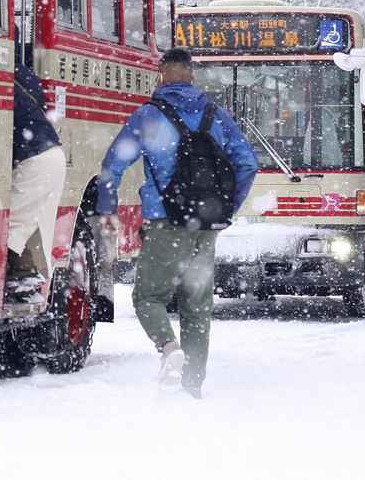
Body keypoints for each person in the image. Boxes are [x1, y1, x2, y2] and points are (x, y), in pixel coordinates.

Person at [92, 48, 258, 397]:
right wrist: (227, 207)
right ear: (193, 75)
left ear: (161, 75)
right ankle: (192, 386)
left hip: (166, 224)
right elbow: (247, 164)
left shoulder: (148, 117)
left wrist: (106, 209)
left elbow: (113, 166)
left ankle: (169, 349)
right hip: (206, 225)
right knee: (197, 307)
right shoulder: (217, 116)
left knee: (147, 297)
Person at [6, 60, 67, 304]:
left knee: (8, 228)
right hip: (50, 154)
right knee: (26, 225)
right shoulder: (23, 74)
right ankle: (25, 280)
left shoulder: (0, 72)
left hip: (35, 159)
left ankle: (22, 282)